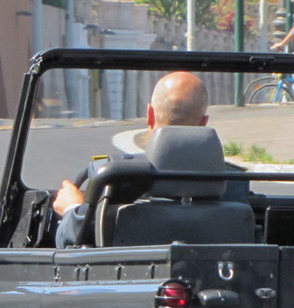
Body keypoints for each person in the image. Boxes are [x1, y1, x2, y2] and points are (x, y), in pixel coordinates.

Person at [53, 71, 210, 248]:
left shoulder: (109, 178)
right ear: (204, 123)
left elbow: (73, 247)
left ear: (149, 115)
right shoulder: (233, 185)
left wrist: (71, 210)